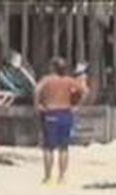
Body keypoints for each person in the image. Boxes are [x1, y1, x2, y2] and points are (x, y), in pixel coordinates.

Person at [35, 57, 88, 185]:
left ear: (52, 67)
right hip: (65, 113)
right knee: (64, 148)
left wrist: (37, 105)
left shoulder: (46, 80)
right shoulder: (69, 81)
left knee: (48, 148)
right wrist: (77, 105)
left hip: (50, 113)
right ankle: (61, 177)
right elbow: (84, 91)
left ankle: (48, 177)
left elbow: (37, 91)